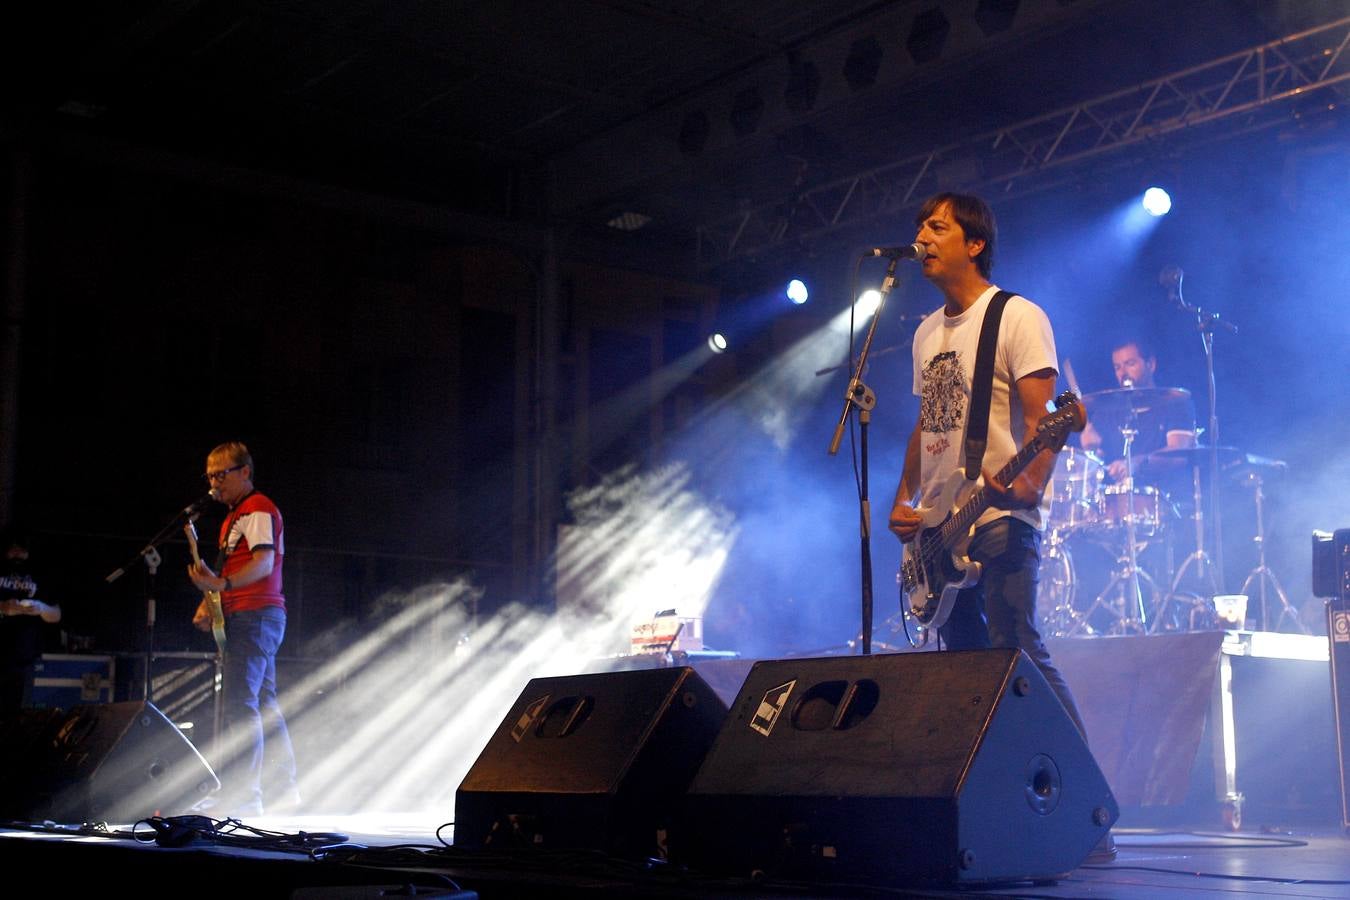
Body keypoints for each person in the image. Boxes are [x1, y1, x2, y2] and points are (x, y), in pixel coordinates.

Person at [886, 193, 1114, 861]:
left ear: (974, 242)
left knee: (1018, 651)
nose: (921, 236)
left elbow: (1050, 417)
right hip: (940, 529)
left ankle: (1088, 811)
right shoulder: (926, 332)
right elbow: (928, 424)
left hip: (1001, 514)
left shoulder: (1017, 315)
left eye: (937, 226)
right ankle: (995, 815)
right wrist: (906, 499)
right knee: (964, 674)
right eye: (920, 224)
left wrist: (1028, 484)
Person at [187, 442, 299, 817]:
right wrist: (211, 601)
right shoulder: (233, 517)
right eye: (210, 476)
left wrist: (224, 587)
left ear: (245, 472)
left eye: (221, 474)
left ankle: (246, 795)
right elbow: (230, 572)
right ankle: (282, 789)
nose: (214, 483)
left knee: (242, 704)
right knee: (262, 704)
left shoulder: (257, 508)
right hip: (251, 615)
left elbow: (263, 563)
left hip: (256, 616)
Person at [1080, 337, 1196, 483]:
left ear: (1151, 364)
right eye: (1117, 367)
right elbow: (1095, 467)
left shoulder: (1175, 403)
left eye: (1130, 364)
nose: (1123, 373)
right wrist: (1091, 451)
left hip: (1165, 498)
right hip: (1117, 500)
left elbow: (1178, 455)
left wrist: (1135, 463)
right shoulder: (1107, 410)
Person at [0, 526, 62, 715]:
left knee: (15, 713)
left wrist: (40, 608)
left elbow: (56, 614)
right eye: (13, 549)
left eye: (22, 549)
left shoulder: (39, 572)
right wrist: (3, 607)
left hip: (23, 658)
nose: (17, 554)